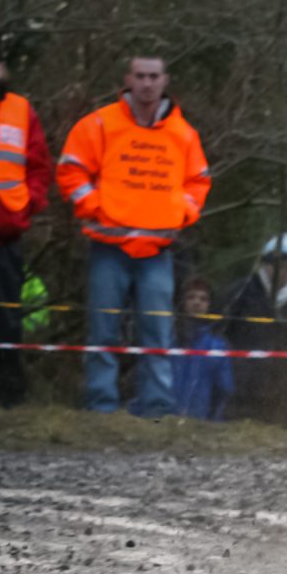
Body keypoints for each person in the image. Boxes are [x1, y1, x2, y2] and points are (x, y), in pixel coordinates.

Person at [57, 55, 211, 417]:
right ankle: (100, 405)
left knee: (157, 331)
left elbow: (199, 181)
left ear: (165, 80)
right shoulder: (99, 124)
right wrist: (96, 206)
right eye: (140, 75)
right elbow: (70, 170)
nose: (147, 83)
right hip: (108, 245)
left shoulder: (183, 134)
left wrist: (181, 211)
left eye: (153, 76)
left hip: (158, 250)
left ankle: (156, 408)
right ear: (128, 79)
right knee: (103, 329)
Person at [0, 27, 51, 409]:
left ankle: (7, 397)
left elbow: (39, 167)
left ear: (3, 71)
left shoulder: (21, 110)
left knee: (6, 320)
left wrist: (29, 204)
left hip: (6, 235)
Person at [220, 233, 287, 422]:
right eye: (273, 263)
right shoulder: (241, 292)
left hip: (281, 390)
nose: (278, 270)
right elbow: (220, 331)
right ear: (264, 264)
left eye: (285, 264)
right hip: (240, 387)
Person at [171, 276, 232, 420]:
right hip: (163, 421)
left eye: (203, 299)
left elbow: (224, 390)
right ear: (182, 302)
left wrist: (213, 423)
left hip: (200, 422)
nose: (196, 302)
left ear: (210, 305)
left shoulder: (218, 346)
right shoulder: (167, 339)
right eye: (190, 297)